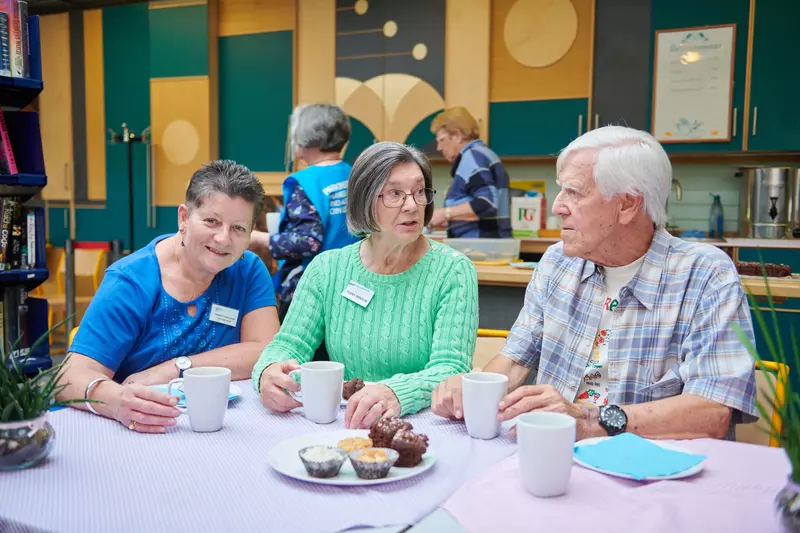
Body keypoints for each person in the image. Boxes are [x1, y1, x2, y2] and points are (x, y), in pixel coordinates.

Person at [432, 126, 758, 441]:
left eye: (573, 192)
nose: (558, 206)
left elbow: (713, 412)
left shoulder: (704, 276)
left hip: (653, 477)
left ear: (628, 204)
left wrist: (591, 421)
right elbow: (516, 359)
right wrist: (472, 391)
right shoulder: (558, 261)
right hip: (556, 459)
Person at [253, 142, 479, 430]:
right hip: (345, 424)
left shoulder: (453, 271)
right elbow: (288, 345)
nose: (412, 205)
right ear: (365, 200)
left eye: (419, 191)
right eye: (395, 194)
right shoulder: (327, 269)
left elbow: (451, 369)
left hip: (423, 425)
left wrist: (397, 392)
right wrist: (268, 372)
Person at [59, 160, 280, 434]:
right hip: (142, 428)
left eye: (238, 228)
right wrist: (116, 402)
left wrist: (175, 368)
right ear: (184, 218)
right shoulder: (131, 281)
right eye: (212, 221)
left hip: (223, 425)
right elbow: (68, 377)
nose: (223, 239)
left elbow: (265, 350)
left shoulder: (248, 270)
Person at [250, 103, 358, 325]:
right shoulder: (356, 175)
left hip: (311, 290)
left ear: (310, 138)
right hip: (354, 285)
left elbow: (307, 241)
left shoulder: (304, 183)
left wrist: (260, 239)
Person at [427, 106, 512, 238]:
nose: (439, 148)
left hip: (480, 246)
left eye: (441, 140)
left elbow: (486, 204)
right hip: (490, 244)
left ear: (457, 135)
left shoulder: (472, 157)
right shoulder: (484, 154)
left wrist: (444, 213)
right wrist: (454, 218)